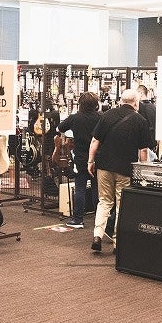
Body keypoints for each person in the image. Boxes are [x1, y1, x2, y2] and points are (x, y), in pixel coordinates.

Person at [87, 88, 152, 254]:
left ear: (121, 101)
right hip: (125, 169)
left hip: (104, 166)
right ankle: (117, 242)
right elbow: (143, 150)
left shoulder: (107, 115)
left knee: (104, 201)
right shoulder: (140, 120)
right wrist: (143, 169)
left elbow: (95, 141)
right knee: (121, 205)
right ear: (136, 103)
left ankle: (97, 236)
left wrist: (90, 161)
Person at [58, 92, 101, 230]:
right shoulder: (101, 117)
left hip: (81, 158)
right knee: (97, 189)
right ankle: (99, 219)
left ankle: (78, 219)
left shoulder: (75, 118)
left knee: (80, 188)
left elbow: (60, 128)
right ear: (96, 104)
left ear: (80, 104)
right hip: (98, 157)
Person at [136, 84, 158, 160]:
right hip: (153, 140)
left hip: (145, 143)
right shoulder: (153, 107)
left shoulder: (141, 107)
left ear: (141, 93)